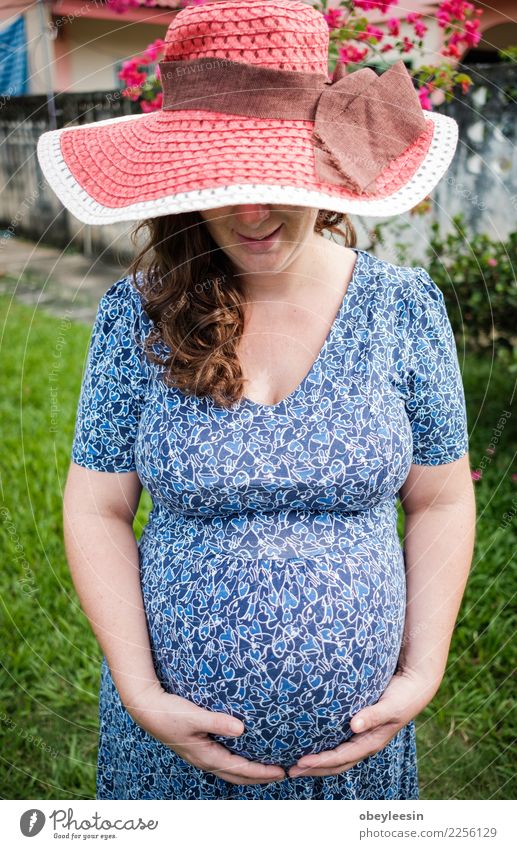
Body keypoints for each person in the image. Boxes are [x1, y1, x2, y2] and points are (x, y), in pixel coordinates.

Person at [37, 0, 476, 800]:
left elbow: (442, 499)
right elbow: (95, 505)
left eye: (273, 180)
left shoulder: (403, 308)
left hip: (358, 766)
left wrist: (421, 669)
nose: (249, 212)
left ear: (326, 165)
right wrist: (140, 690)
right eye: (220, 182)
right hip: (167, 759)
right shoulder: (137, 315)